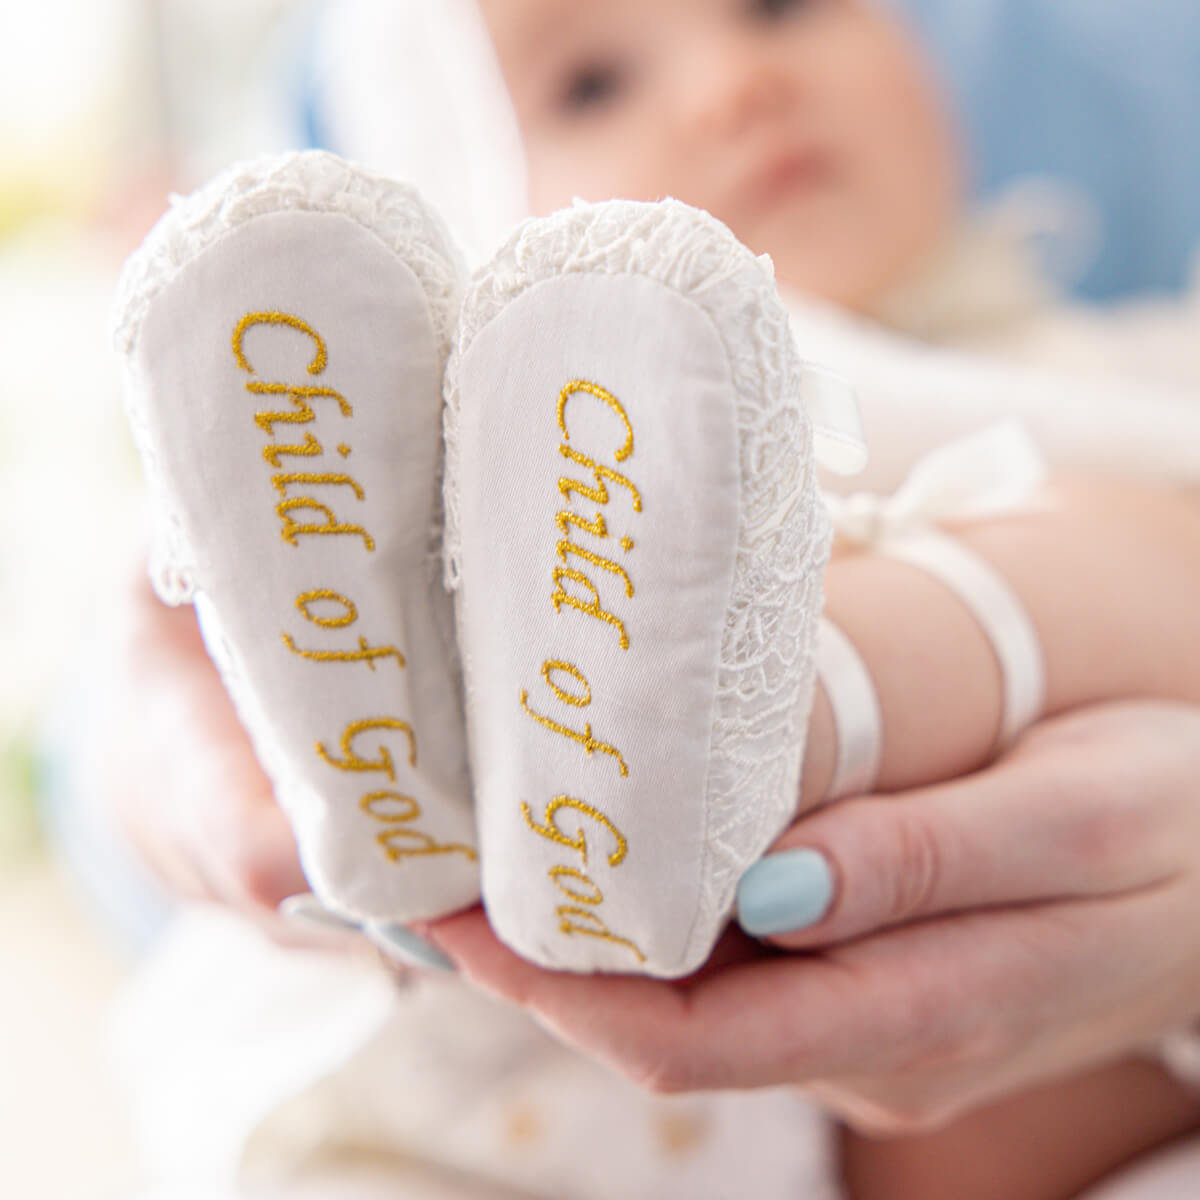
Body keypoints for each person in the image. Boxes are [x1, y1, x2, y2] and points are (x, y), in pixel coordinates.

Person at [93, 1, 1200, 1196]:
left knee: (1075, 544)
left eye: (782, 6)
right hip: (519, 1071)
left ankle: (707, 729)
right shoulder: (526, 451)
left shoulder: (1113, 363)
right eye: (592, 87)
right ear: (475, 188)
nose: (736, 84)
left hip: (992, 1041)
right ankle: (435, 709)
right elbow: (135, 729)